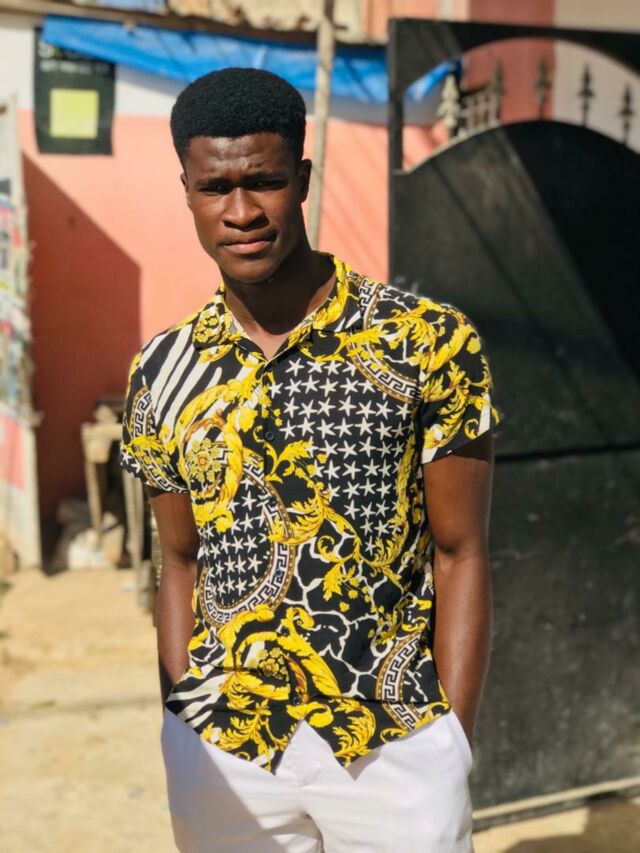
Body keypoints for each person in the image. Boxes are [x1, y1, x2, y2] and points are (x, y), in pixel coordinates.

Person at [120, 67, 501, 853]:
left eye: (263, 181)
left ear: (301, 178)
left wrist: (449, 743)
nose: (241, 211)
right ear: (187, 191)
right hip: (225, 751)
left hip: (393, 742)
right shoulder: (162, 370)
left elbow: (461, 550)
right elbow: (178, 561)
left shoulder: (426, 342)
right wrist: (180, 722)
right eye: (215, 187)